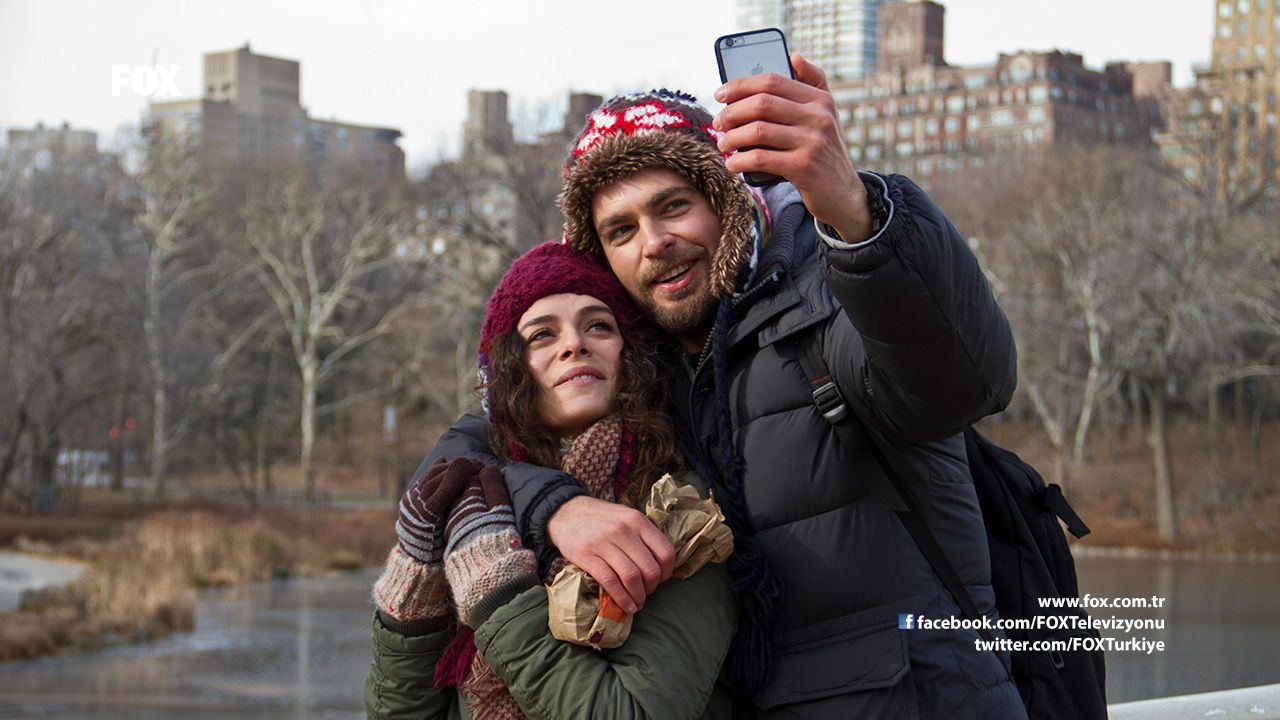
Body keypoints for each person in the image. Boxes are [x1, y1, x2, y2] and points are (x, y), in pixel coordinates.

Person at [419, 55, 1027, 719]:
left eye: (674, 206)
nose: (654, 243)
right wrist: (553, 505)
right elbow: (455, 461)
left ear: (727, 203)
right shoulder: (625, 372)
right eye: (620, 230)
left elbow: (966, 381)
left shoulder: (829, 299)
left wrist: (858, 215)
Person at [364, 241, 736, 720]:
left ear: (630, 356)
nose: (574, 344)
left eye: (598, 325)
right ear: (507, 373)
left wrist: (499, 598)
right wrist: (411, 601)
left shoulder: (682, 506)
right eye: (542, 335)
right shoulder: (473, 511)